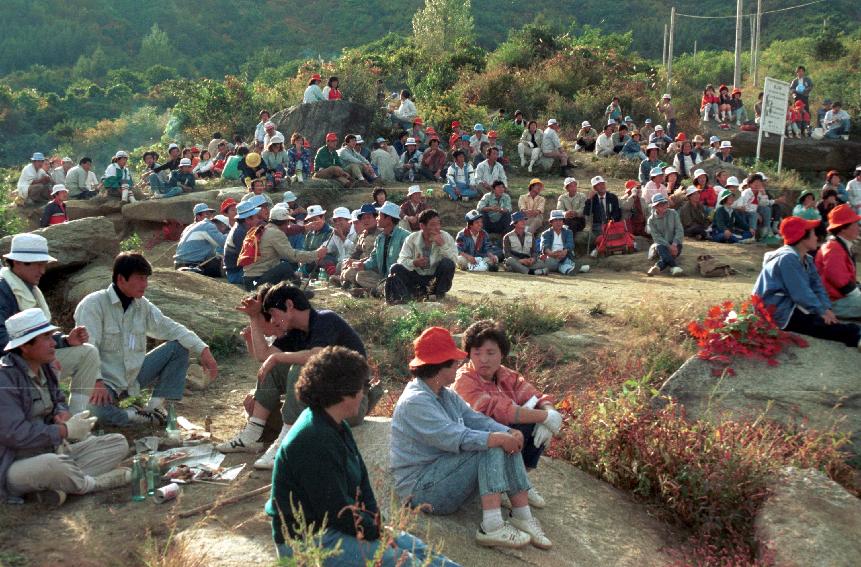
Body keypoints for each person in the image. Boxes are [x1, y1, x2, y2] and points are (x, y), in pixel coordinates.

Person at [267, 346, 457, 566]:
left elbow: (362, 485)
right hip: (310, 540)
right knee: (406, 561)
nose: (364, 394)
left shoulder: (336, 424)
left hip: (338, 528)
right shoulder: (312, 438)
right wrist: (375, 531)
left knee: (419, 550)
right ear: (343, 392)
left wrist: (377, 524)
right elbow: (337, 512)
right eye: (363, 386)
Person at [390, 327, 550, 550]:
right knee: (490, 444)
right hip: (422, 490)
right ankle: (492, 526)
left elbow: (474, 418)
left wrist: (507, 432)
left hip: (443, 473)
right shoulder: (416, 402)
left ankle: (522, 514)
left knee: (501, 438)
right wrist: (498, 437)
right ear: (439, 366)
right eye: (453, 362)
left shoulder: (444, 393)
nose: (458, 366)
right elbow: (456, 437)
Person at [218, 283, 369, 469]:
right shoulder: (296, 332)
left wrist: (277, 357)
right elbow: (263, 356)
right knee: (274, 365)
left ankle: (286, 443)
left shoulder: (326, 319)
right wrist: (255, 317)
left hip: (350, 402)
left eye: (273, 313)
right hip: (325, 400)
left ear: (289, 306)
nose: (272, 321)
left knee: (301, 368)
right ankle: (253, 433)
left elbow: (317, 355)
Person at [0, 308, 131, 506]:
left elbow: (58, 399)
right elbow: (15, 434)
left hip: (52, 451)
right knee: (54, 466)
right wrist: (63, 430)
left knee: (118, 443)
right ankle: (93, 484)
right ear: (25, 346)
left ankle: (54, 488)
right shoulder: (5, 378)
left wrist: (61, 412)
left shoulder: (44, 366)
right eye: (46, 337)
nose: (54, 343)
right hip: (14, 464)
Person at [73, 253, 218, 426]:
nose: (145, 284)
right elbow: (87, 348)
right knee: (92, 414)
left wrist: (203, 349)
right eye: (140, 278)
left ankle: (154, 409)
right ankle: (133, 416)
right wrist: (95, 381)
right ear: (121, 279)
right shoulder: (93, 304)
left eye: (146, 279)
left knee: (178, 347)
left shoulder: (142, 306)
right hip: (104, 382)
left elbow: (170, 327)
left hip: (133, 378)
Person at [453, 319, 562, 508]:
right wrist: (545, 418)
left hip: (503, 435)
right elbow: (500, 411)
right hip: (478, 442)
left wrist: (550, 412)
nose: (483, 359)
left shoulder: (505, 375)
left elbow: (535, 396)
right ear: (468, 354)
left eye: (490, 353)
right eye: (476, 353)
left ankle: (519, 482)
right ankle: (503, 485)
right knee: (530, 422)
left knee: (537, 420)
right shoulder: (464, 379)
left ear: (502, 354)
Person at [1, 234, 102, 415]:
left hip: (29, 357)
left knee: (88, 352)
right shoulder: (4, 291)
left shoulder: (27, 288)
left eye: (43, 264)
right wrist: (41, 357)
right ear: (17, 263)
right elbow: (3, 341)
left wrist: (65, 341)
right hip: (9, 367)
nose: (42, 270)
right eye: (37, 264)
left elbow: (35, 334)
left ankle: (76, 420)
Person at [754, 217, 861, 351]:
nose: (817, 237)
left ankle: (855, 333)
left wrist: (826, 308)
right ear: (802, 237)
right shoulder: (787, 259)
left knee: (824, 319)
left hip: (790, 304)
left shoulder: (807, 258)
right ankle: (856, 336)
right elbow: (800, 293)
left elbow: (817, 286)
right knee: (817, 324)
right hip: (777, 310)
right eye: (813, 233)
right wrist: (821, 311)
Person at [243, 205, 326, 290]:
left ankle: (290, 293)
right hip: (255, 282)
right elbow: (292, 256)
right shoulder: (276, 233)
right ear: (284, 222)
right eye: (288, 222)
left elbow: (290, 230)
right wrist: (316, 254)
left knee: (285, 269)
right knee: (285, 267)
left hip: (251, 281)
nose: (289, 224)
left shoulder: (266, 229)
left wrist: (305, 227)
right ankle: (294, 294)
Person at [386, 209, 457, 303]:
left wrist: (442, 245)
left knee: (448, 264)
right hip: (416, 277)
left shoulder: (445, 237)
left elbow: (454, 260)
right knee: (395, 268)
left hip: (435, 277)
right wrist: (414, 263)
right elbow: (401, 260)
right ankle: (409, 295)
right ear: (422, 226)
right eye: (432, 224)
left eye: (438, 224)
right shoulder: (412, 238)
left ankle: (438, 295)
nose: (437, 227)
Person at [345, 202, 410, 297]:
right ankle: (379, 290)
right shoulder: (380, 238)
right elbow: (373, 258)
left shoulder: (405, 236)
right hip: (383, 276)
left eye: (379, 216)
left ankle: (373, 292)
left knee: (394, 283)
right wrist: (363, 265)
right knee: (361, 275)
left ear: (388, 219)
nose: (377, 218)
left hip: (400, 278)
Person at [814, 204, 861, 320]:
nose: (859, 228)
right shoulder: (833, 248)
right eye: (855, 224)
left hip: (839, 298)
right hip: (834, 302)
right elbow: (839, 279)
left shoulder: (838, 244)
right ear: (843, 228)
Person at [173, 203, 226, 277]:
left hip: (178, 264)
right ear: (198, 216)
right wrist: (232, 233)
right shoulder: (206, 225)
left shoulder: (188, 228)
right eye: (207, 214)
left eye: (211, 214)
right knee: (225, 261)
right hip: (192, 266)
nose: (210, 217)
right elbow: (224, 243)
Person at [646, 194, 684, 277]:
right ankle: (675, 267)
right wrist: (669, 246)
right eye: (660, 204)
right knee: (663, 250)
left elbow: (679, 230)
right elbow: (656, 237)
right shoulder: (651, 220)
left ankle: (657, 267)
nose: (664, 206)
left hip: (675, 243)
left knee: (667, 256)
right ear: (655, 207)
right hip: (661, 244)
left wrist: (674, 244)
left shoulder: (673, 213)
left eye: (665, 203)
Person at [540, 210, 589, 275]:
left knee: (564, 260)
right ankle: (573, 267)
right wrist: (551, 253)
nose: (558, 223)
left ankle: (568, 270)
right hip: (552, 257)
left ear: (563, 222)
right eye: (556, 221)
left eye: (560, 220)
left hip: (565, 255)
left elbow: (570, 244)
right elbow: (544, 245)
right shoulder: (546, 233)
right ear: (551, 222)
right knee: (552, 262)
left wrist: (564, 251)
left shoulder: (568, 232)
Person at [502, 211, 547, 275]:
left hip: (528, 261)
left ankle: (520, 269)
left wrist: (533, 259)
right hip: (516, 261)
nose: (523, 222)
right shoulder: (507, 237)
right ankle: (531, 272)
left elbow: (534, 252)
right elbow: (507, 254)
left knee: (542, 264)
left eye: (524, 220)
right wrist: (520, 261)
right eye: (520, 220)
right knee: (509, 260)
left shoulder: (530, 235)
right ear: (514, 224)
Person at [584, 176, 622, 249]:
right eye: (599, 185)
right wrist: (589, 199)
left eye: (603, 184)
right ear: (594, 188)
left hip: (611, 223)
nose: (602, 186)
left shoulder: (612, 197)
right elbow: (586, 212)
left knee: (615, 231)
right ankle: (603, 248)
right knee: (603, 232)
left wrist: (612, 220)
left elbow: (617, 212)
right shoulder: (593, 199)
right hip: (598, 225)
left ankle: (605, 247)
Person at [735, 173, 774, 240]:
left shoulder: (759, 192)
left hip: (754, 211)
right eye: (755, 182)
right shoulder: (746, 192)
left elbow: (765, 204)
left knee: (766, 209)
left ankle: (765, 231)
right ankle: (751, 235)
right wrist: (757, 213)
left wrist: (764, 194)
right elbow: (744, 206)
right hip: (744, 212)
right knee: (754, 214)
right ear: (750, 184)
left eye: (759, 182)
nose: (758, 184)